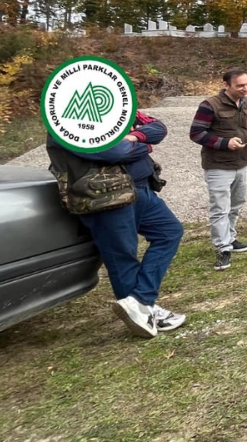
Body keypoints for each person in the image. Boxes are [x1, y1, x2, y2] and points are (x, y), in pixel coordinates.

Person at [45, 111, 185, 338]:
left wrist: (133, 137)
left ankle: (141, 301)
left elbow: (158, 128)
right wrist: (143, 145)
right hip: (104, 197)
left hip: (140, 189)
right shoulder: (65, 124)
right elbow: (113, 151)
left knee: (169, 232)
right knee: (122, 256)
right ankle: (143, 313)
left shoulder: (116, 111)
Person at [189, 68, 247, 272]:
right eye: (240, 85)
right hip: (218, 165)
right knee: (220, 208)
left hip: (241, 162)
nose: (245, 89)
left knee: (237, 204)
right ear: (226, 85)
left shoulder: (246, 103)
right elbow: (196, 133)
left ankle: (230, 238)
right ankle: (222, 249)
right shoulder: (209, 105)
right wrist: (224, 143)